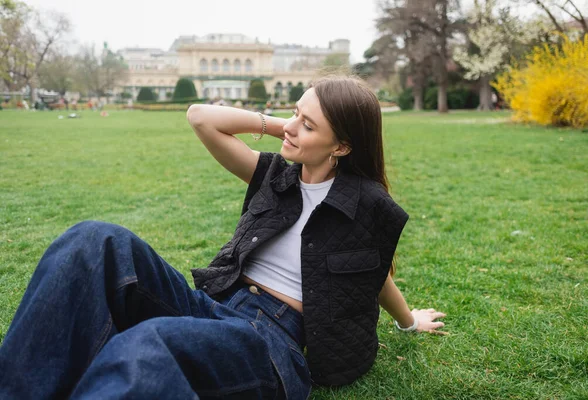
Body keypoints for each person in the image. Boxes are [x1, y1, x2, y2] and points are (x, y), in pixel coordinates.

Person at [0, 75, 446, 399]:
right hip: (217, 306)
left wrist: (408, 321)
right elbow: (201, 118)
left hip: (274, 344)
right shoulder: (273, 174)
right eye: (295, 112)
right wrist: (292, 128)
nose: (291, 125)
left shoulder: (367, 204)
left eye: (309, 125)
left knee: (146, 348)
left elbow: (372, 276)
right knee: (92, 241)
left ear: (342, 146)